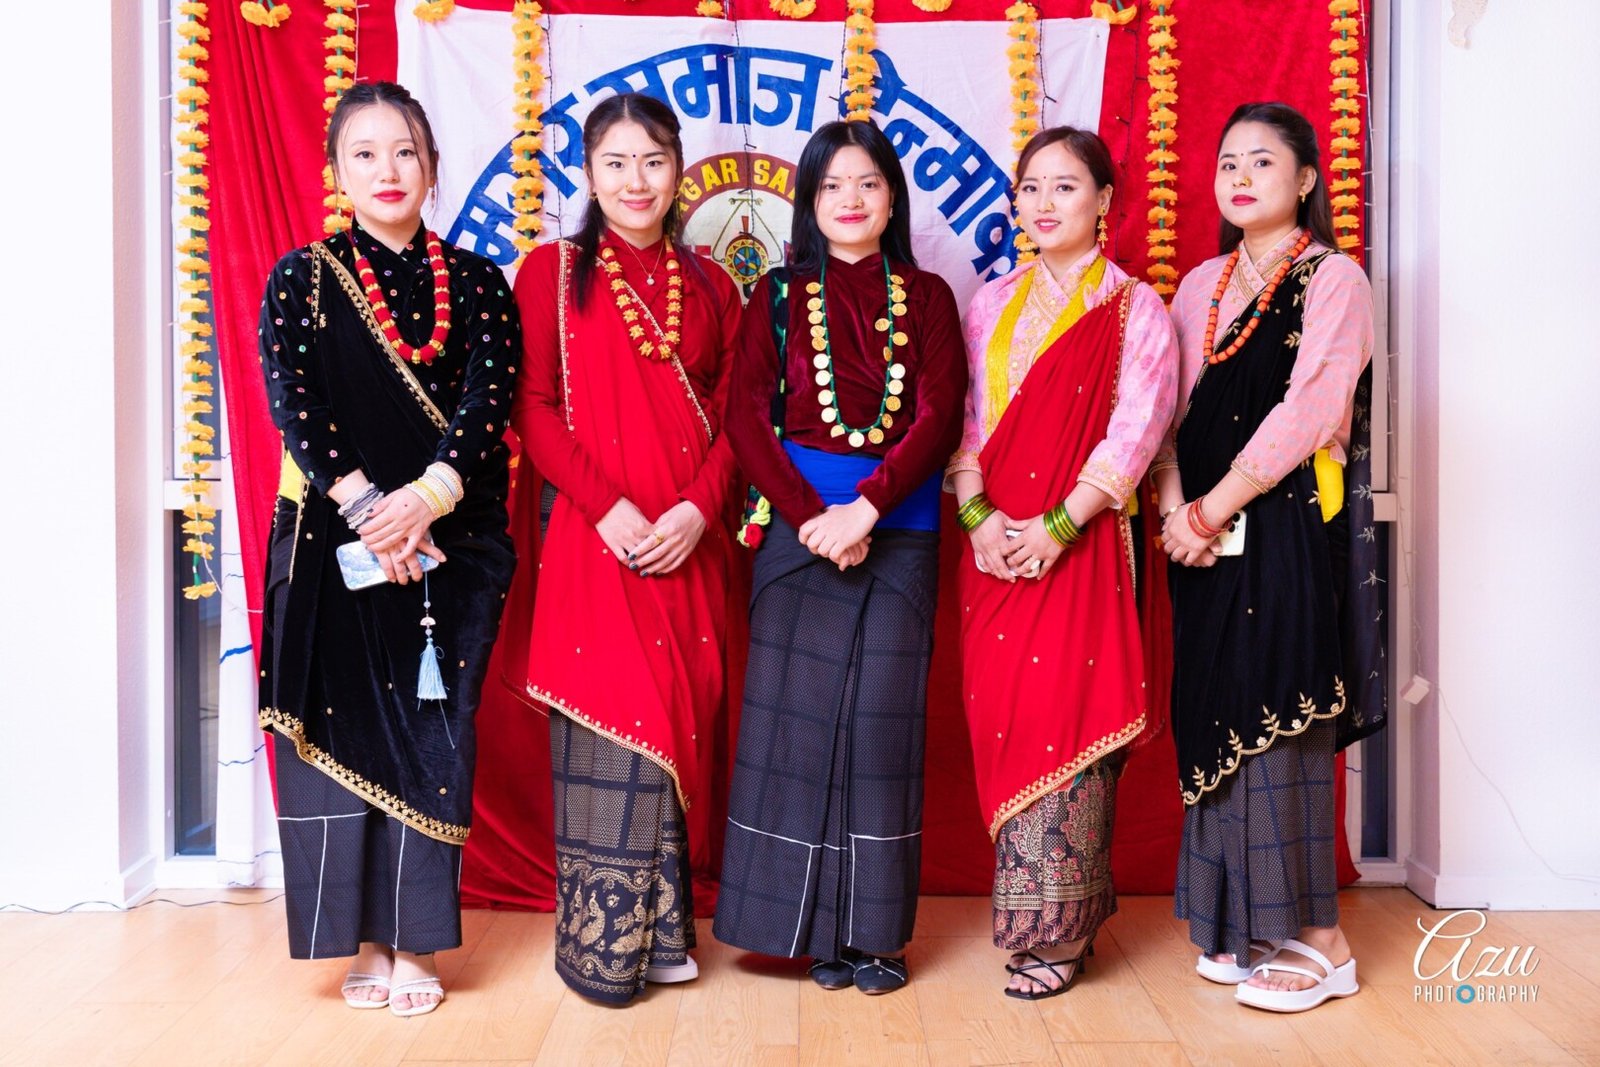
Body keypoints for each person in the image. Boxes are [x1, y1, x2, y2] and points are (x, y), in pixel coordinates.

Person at [256, 82, 520, 1017]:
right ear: (337, 172)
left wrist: (423, 504)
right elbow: (296, 405)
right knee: (345, 730)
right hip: (336, 536)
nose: (388, 170)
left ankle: (418, 943)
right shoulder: (301, 279)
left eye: (405, 150)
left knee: (434, 734)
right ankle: (364, 939)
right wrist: (374, 511)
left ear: (433, 165)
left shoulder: (480, 284)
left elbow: (489, 405)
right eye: (364, 153)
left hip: (455, 540)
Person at [712, 119, 964, 996]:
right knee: (799, 723)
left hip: (898, 529)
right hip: (799, 527)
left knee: (880, 729)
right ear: (809, 202)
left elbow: (940, 414)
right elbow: (745, 417)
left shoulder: (928, 296)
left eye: (867, 183)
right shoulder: (777, 293)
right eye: (831, 185)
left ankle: (875, 938)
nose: (850, 199)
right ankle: (809, 930)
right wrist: (813, 516)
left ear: (893, 197)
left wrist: (866, 508)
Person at [507, 93, 742, 1005]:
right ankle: (603, 950)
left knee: (678, 723)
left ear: (678, 168)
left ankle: (666, 933)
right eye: (615, 162)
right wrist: (604, 507)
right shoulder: (552, 274)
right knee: (616, 724)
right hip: (595, 541)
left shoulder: (713, 285)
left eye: (652, 160)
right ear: (588, 172)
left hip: (688, 544)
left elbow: (738, 419)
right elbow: (532, 407)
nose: (635, 180)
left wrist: (697, 511)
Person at [1152, 101, 1374, 1013]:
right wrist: (1175, 507)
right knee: (1212, 709)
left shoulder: (1334, 278)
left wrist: (1211, 508)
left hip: (1280, 525)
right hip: (1198, 539)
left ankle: (1323, 941)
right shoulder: (1201, 285)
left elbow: (1311, 407)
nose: (1240, 178)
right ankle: (1237, 923)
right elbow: (1164, 408)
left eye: (1263, 162)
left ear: (1306, 179)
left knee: (1279, 709)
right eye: (1228, 163)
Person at [948, 127, 1178, 999]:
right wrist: (978, 519)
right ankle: (1027, 920)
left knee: (1070, 723)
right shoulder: (989, 303)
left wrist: (1057, 526)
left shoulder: (1136, 309)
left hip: (1080, 548)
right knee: (1008, 725)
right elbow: (970, 422)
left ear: (1104, 199)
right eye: (1031, 188)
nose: (1044, 204)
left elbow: (1136, 432)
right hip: (992, 549)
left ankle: (1064, 931)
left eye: (1066, 186)